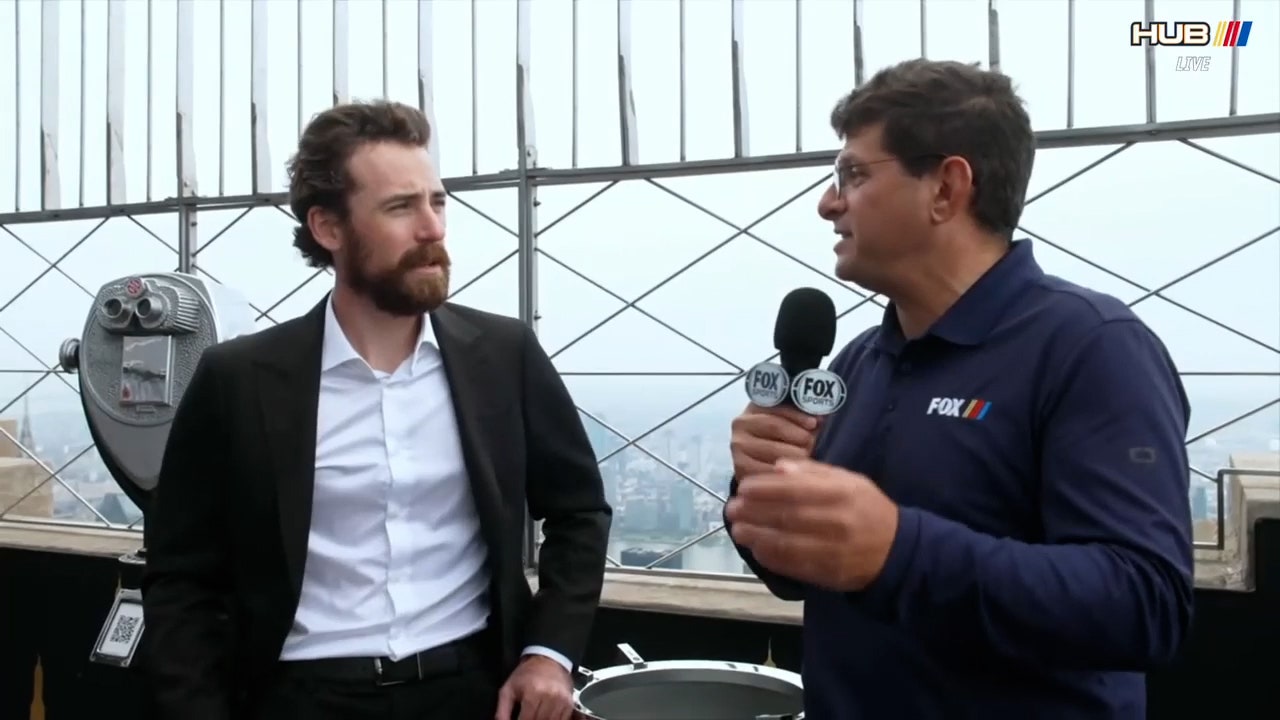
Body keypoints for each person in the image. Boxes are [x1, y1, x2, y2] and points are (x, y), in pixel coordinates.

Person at [724, 59, 1194, 719]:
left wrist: (898, 550)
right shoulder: (858, 363)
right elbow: (797, 576)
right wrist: (756, 494)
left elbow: (1145, 605)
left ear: (946, 187)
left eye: (854, 175)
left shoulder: (1092, 346)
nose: (828, 203)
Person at [141, 100, 612, 720]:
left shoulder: (504, 356)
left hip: (474, 691)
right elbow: (181, 578)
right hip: (303, 698)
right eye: (400, 207)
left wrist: (548, 653)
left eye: (437, 202)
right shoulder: (240, 381)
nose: (433, 229)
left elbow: (579, 511)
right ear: (328, 228)